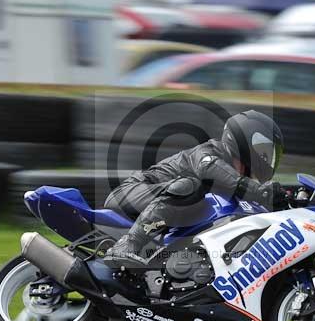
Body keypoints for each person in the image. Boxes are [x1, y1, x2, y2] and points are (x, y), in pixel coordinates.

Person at [103, 110, 286, 267]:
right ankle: (127, 245)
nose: (267, 158)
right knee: (190, 186)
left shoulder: (233, 183)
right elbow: (209, 167)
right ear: (246, 141)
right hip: (130, 192)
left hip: (160, 213)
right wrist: (261, 191)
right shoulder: (210, 152)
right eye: (265, 151)